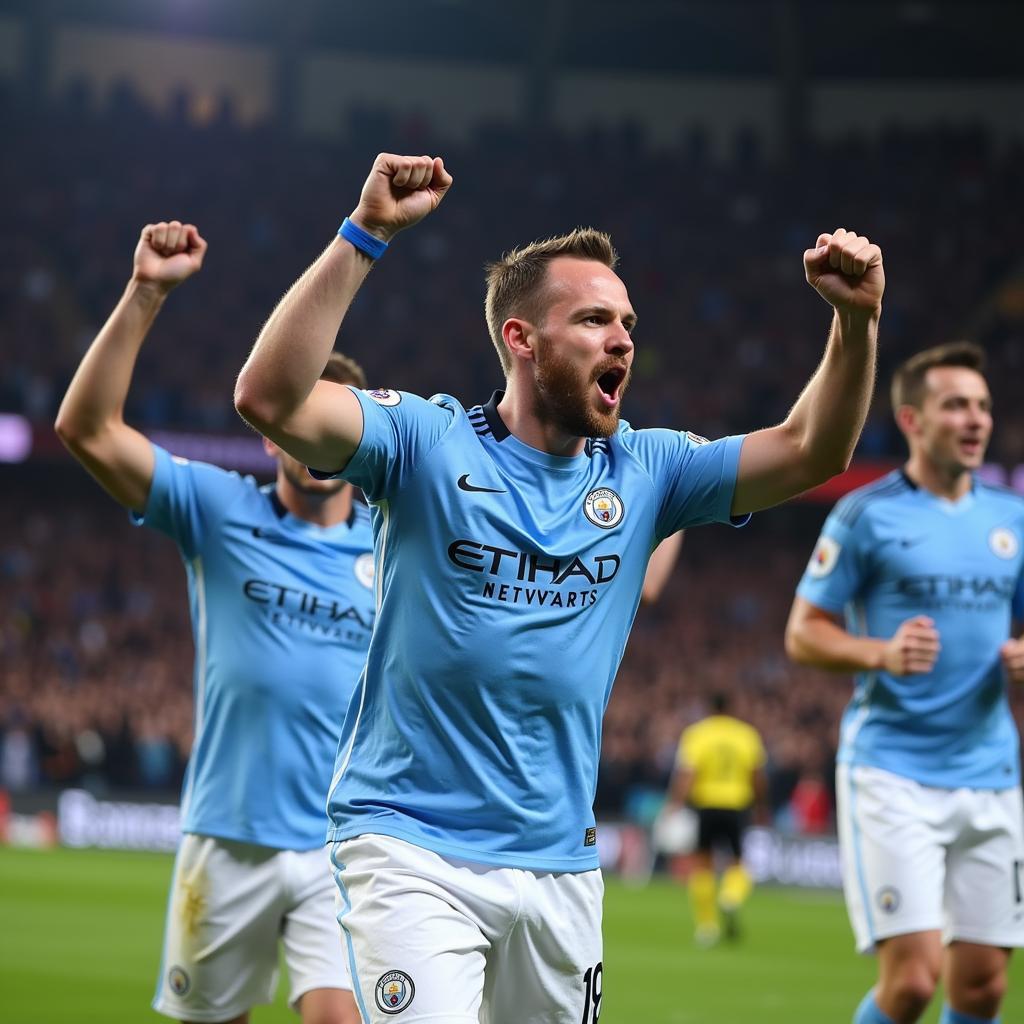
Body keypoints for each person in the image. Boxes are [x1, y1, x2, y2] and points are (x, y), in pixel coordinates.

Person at [234, 152, 883, 1024]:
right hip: (410, 845)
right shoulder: (425, 442)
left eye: (627, 322)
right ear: (521, 339)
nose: (623, 339)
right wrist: (367, 233)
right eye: (593, 320)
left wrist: (855, 323)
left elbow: (814, 450)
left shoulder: (650, 469)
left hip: (560, 863)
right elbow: (270, 397)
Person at [54, 222, 369, 1024]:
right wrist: (146, 292)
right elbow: (85, 430)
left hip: (345, 847)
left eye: (328, 419)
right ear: (273, 435)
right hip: (228, 838)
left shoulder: (396, 542)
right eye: (295, 417)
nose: (310, 436)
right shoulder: (219, 509)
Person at [785, 341, 1024, 1024]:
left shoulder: (1013, 519)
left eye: (982, 406)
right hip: (894, 773)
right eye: (956, 406)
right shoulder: (867, 515)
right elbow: (803, 632)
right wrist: (880, 654)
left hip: (991, 773)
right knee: (915, 981)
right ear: (914, 421)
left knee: (982, 989)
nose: (976, 420)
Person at [667, 691, 766, 946]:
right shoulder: (746, 734)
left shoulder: (697, 734)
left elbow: (687, 773)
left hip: (706, 805)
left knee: (702, 864)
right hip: (737, 804)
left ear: (709, 708)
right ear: (731, 707)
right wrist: (762, 805)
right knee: (737, 862)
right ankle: (731, 896)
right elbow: (756, 774)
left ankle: (707, 927)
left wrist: (675, 803)